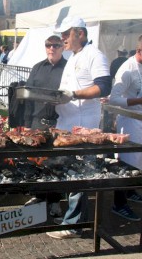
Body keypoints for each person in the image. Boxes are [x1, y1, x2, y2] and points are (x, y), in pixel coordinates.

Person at [46, 15, 112, 239]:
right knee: (67, 172)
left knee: (79, 174)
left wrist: (72, 94)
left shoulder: (95, 55)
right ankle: (69, 217)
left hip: (83, 124)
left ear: (80, 34)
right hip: (66, 122)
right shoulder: (73, 56)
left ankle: (73, 225)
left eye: (66, 34)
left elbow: (103, 87)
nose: (62, 38)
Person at [108, 33, 142, 221]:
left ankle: (130, 191)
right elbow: (113, 99)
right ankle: (119, 203)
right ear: (139, 50)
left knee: (137, 161)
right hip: (129, 121)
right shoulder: (127, 69)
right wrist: (141, 100)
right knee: (125, 163)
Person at [22, 35, 68, 218]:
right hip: (36, 120)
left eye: (56, 45)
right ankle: (39, 196)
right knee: (36, 161)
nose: (52, 48)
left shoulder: (68, 68)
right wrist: (26, 124)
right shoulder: (37, 67)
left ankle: (55, 201)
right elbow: (27, 96)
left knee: (56, 162)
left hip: (59, 122)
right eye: (48, 45)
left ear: (63, 47)